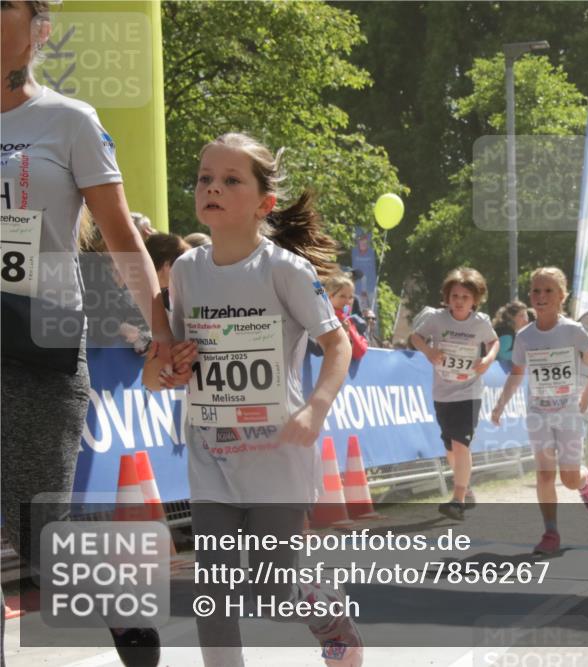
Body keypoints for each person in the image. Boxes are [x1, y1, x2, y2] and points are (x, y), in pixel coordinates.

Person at [1, 2, 179, 663]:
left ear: (38, 29)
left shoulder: (68, 121)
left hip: (38, 335)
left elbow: (119, 232)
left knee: (40, 531)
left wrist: (158, 323)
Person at [141, 132, 360, 666]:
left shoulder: (285, 270)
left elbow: (337, 347)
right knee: (211, 595)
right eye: (205, 179)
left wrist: (316, 408)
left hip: (277, 454)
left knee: (268, 592)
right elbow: (156, 369)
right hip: (211, 453)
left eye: (230, 180)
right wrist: (170, 369)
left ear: (265, 202)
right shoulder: (187, 272)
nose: (212, 187)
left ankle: (331, 619)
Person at [490, 267, 588, 556]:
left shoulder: (571, 330)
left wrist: (587, 394)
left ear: (562, 296)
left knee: (567, 479)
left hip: (568, 413)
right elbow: (517, 373)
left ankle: (583, 480)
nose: (541, 296)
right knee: (543, 474)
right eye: (536, 291)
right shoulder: (525, 336)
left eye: (548, 291)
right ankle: (550, 532)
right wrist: (501, 403)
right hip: (538, 413)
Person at [410, 267, 499, 521]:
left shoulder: (480, 322)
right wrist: (429, 352)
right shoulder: (437, 319)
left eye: (465, 297)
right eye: (455, 296)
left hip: (469, 392)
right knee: (450, 447)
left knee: (461, 443)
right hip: (443, 392)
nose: (459, 302)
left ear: (475, 300)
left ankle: (457, 500)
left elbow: (494, 342)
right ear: (447, 298)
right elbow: (416, 337)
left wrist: (488, 358)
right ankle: (466, 488)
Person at [324, 272, 368, 361]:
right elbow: (317, 290)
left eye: (351, 297)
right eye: (342, 296)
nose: (347, 301)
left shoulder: (344, 314)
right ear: (329, 296)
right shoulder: (328, 313)